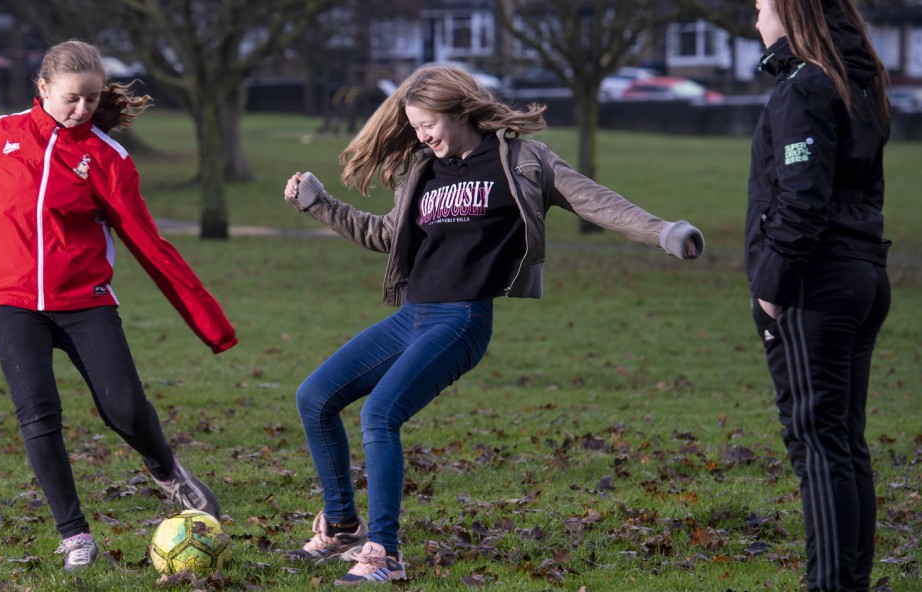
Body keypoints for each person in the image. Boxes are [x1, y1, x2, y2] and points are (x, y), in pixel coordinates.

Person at [280, 64, 705, 585]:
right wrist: (318, 203)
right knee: (315, 396)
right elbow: (386, 235)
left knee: (379, 415)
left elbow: (596, 202)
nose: (421, 135)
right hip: (411, 315)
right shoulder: (424, 168)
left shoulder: (521, 161)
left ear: (459, 110)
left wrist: (664, 232)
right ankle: (342, 525)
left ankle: (384, 552)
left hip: (460, 320)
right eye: (413, 127)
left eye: (427, 124)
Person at [0, 39, 238, 573]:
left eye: (93, 100)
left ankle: (167, 470)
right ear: (43, 88)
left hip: (84, 301)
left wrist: (209, 322)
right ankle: (74, 534)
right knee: (37, 413)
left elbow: (151, 246)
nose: (82, 110)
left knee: (122, 405)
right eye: (72, 98)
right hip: (11, 301)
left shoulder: (108, 159)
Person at [747, 1, 892, 590]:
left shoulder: (805, 88)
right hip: (862, 274)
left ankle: (830, 585)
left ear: (787, 10)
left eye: (759, 7)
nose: (754, 19)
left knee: (816, 442)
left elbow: (802, 199)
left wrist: (771, 289)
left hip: (816, 284)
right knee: (841, 440)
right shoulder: (859, 83)